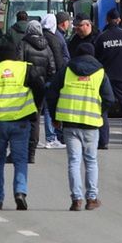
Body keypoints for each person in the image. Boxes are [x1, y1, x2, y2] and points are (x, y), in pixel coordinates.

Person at [0, 41, 44, 210]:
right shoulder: (26, 68)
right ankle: (20, 192)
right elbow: (40, 88)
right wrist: (35, 108)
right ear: (16, 55)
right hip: (20, 121)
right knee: (20, 160)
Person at [48, 40, 115, 211]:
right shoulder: (100, 72)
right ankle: (91, 198)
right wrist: (99, 111)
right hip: (91, 123)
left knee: (74, 161)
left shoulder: (67, 70)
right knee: (91, 161)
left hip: (70, 122)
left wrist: (55, 116)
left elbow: (52, 93)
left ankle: (76, 199)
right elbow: (109, 98)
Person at [93, 9, 122, 150]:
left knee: (103, 110)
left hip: (104, 79)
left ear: (107, 19)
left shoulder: (101, 38)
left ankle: (103, 141)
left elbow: (96, 58)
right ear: (118, 20)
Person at [18, 19, 55, 163]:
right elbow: (52, 68)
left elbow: (19, 64)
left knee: (22, 119)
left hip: (26, 86)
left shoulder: (23, 44)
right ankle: (31, 153)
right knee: (35, 119)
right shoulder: (46, 47)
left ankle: (20, 151)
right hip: (40, 87)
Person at [40, 13, 67, 148]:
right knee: (50, 107)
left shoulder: (39, 36)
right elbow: (58, 58)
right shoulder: (54, 38)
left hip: (39, 76)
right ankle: (51, 138)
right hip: (52, 77)